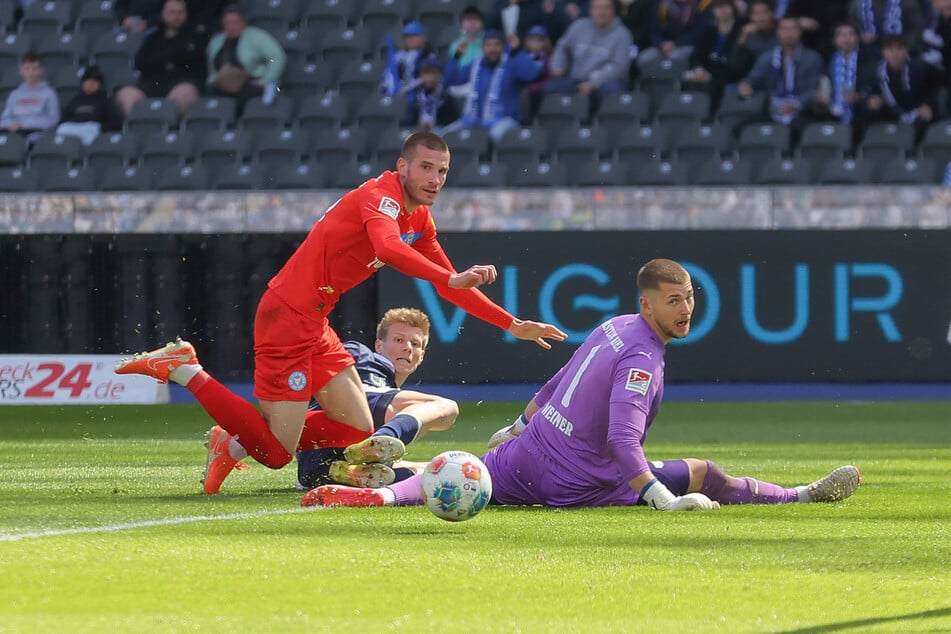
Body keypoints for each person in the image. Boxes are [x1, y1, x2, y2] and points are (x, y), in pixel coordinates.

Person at [115, 131, 567, 496]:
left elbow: (449, 285)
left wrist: (513, 323)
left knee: (355, 429)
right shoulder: (381, 197)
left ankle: (233, 440)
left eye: (443, 171)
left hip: (314, 322)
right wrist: (450, 279)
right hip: (286, 317)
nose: (434, 178)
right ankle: (185, 370)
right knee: (275, 454)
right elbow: (390, 250)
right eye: (426, 167)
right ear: (403, 166)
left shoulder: (419, 219)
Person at [302, 258, 862, 511]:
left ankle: (373, 494)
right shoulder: (643, 359)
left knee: (462, 469)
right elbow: (623, 442)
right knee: (705, 474)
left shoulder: (612, 327)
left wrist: (517, 425)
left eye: (689, 297)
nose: (686, 308)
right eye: (674, 301)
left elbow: (557, 380)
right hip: (576, 481)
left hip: (529, 453)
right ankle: (803, 495)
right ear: (648, 304)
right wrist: (662, 499)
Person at [296, 307, 458, 490]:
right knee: (446, 407)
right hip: (339, 415)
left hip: (314, 464)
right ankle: (380, 440)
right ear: (379, 346)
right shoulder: (358, 354)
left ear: (421, 356)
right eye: (399, 340)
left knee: (429, 469)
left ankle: (337, 471)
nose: (407, 347)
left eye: (415, 343)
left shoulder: (401, 405)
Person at [441, 30, 544, 141]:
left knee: (490, 137)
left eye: (497, 45)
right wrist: (457, 57)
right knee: (443, 135)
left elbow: (532, 74)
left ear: (503, 47)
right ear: (482, 48)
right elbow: (450, 80)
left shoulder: (511, 65)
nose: (492, 49)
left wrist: (517, 51)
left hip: (505, 120)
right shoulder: (476, 65)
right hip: (475, 120)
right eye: (488, 45)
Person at [115, 0, 207, 117]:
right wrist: (171, 60)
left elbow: (195, 58)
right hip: (152, 85)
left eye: (180, 13)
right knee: (126, 95)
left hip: (183, 82)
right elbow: (140, 63)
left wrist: (163, 60)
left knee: (184, 94)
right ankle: (139, 128)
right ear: (163, 14)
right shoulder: (152, 38)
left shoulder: (195, 37)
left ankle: (169, 130)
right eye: (172, 12)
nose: (176, 17)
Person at [736, 15, 823, 127]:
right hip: (773, 109)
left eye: (793, 29)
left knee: (800, 127)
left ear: (800, 32)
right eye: (784, 29)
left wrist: (796, 105)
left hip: (801, 111)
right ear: (778, 32)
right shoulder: (767, 58)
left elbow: (813, 90)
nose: (789, 33)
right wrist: (746, 86)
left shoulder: (813, 58)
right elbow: (753, 80)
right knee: (742, 127)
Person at [545, 0, 633, 100]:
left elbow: (619, 66)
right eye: (597, 8)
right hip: (576, 80)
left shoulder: (623, 34)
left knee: (613, 89)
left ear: (613, 10)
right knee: (552, 87)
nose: (601, 12)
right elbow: (562, 47)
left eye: (606, 8)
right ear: (590, 10)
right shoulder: (578, 26)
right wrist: (557, 66)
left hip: (604, 82)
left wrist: (593, 83)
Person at [205, 4, 286, 107]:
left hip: (251, 82)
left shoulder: (256, 36)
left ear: (243, 22)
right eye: (227, 23)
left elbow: (277, 57)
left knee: (243, 99)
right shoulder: (216, 41)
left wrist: (266, 80)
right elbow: (212, 68)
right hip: (223, 84)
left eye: (235, 22)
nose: (231, 26)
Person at [864, 35, 940, 139]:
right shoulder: (876, 73)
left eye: (899, 48)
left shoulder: (921, 69)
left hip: (916, 113)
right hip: (889, 114)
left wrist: (928, 105)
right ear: (883, 52)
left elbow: (934, 90)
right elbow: (870, 93)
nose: (895, 53)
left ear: (906, 51)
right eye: (890, 49)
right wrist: (872, 100)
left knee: (925, 119)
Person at [810, 23, 876, 127]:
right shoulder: (828, 63)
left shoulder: (868, 61)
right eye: (842, 35)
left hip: (860, 115)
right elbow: (825, 89)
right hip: (832, 115)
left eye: (851, 34)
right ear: (834, 40)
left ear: (857, 38)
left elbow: (873, 91)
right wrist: (822, 99)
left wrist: (859, 97)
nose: (847, 39)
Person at [683, 0, 745, 110]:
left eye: (725, 6)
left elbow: (737, 64)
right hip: (706, 72)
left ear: (733, 8)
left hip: (726, 74)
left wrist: (711, 76)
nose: (722, 10)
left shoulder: (741, 30)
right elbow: (697, 55)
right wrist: (698, 68)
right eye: (718, 8)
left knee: (714, 87)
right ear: (713, 11)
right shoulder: (709, 31)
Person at [0, 51, 59, 145]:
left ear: (41, 70)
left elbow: (53, 120)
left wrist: (26, 125)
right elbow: (4, 119)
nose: (30, 73)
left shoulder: (49, 93)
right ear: (21, 71)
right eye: (27, 69)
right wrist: (10, 124)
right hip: (15, 133)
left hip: (37, 133)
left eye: (34, 69)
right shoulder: (14, 94)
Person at [55, 65, 123, 146]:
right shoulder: (75, 100)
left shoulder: (105, 100)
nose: (91, 83)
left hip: (92, 127)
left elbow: (113, 122)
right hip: (72, 126)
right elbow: (64, 118)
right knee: (62, 130)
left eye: (95, 81)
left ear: (100, 84)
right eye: (87, 80)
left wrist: (101, 128)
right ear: (83, 83)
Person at [403, 55, 459, 132]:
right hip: (416, 131)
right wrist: (417, 124)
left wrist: (438, 123)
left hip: (440, 132)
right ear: (420, 75)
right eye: (426, 73)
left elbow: (453, 119)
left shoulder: (446, 95)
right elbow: (407, 118)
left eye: (434, 73)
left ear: (440, 75)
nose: (431, 77)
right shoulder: (413, 94)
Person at [382, 21, 436, 96]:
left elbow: (425, 78)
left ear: (422, 38)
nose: (411, 39)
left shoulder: (428, 56)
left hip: (417, 93)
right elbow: (389, 73)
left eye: (414, 36)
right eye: (408, 36)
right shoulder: (398, 56)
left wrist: (405, 89)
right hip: (397, 91)